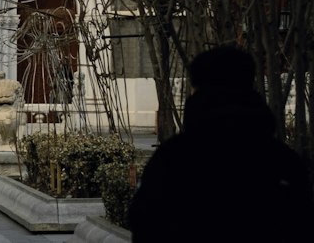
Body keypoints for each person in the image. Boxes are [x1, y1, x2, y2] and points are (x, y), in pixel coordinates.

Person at [128, 45, 313, 241]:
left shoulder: (174, 157)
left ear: (197, 89)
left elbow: (143, 221)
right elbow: (302, 224)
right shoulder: (282, 160)